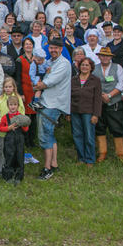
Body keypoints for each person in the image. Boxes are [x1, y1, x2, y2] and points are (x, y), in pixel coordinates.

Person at [34, 38, 72, 180]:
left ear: (61, 49)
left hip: (53, 104)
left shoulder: (64, 64)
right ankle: (54, 163)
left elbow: (49, 81)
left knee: (45, 135)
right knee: (49, 134)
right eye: (51, 48)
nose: (53, 50)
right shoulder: (50, 62)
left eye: (56, 48)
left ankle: (47, 169)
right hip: (46, 102)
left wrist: (36, 86)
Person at [93, 47, 123, 163]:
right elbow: (92, 83)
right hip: (99, 102)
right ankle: (102, 153)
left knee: (117, 127)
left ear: (111, 57)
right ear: (99, 56)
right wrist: (101, 95)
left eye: (107, 56)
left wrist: (109, 95)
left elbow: (121, 84)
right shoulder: (94, 68)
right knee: (100, 128)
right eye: (102, 55)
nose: (105, 58)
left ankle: (120, 154)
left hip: (114, 102)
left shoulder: (117, 67)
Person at [68, 57, 102, 166]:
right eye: (82, 65)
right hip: (75, 111)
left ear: (91, 67)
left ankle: (90, 159)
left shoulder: (95, 80)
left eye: (87, 65)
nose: (84, 67)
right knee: (77, 135)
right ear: (79, 67)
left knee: (89, 136)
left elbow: (98, 99)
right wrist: (68, 113)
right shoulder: (73, 80)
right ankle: (81, 158)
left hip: (89, 112)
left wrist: (96, 114)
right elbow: (69, 97)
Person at [0, 78, 25, 175]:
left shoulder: (18, 98)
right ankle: (2, 169)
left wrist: (15, 124)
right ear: (3, 88)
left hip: (15, 130)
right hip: (2, 131)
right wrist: (4, 125)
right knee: (1, 149)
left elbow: (22, 112)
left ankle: (13, 169)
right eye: (6, 87)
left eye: (10, 86)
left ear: (14, 87)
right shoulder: (0, 99)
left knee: (14, 150)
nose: (8, 89)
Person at [0, 95, 30, 184]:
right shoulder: (5, 117)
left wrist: (24, 124)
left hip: (19, 140)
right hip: (9, 141)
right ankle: (8, 176)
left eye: (15, 104)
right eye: (11, 105)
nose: (13, 107)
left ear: (18, 106)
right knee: (9, 157)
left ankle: (18, 177)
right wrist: (8, 128)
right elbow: (0, 128)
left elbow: (26, 129)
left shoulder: (21, 116)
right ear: (8, 106)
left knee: (19, 157)